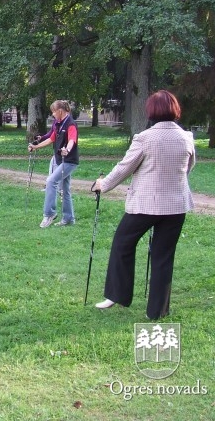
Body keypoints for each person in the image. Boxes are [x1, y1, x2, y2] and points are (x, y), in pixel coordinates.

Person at [92, 90, 195, 320]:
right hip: (176, 206)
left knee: (122, 244)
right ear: (175, 110)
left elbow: (124, 167)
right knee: (163, 256)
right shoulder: (186, 137)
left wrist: (103, 184)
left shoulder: (145, 138)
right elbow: (188, 167)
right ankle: (157, 311)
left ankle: (117, 295)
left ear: (151, 111)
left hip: (146, 205)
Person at [27, 100, 79, 228]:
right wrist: (36, 146)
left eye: (53, 112)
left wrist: (67, 149)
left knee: (51, 181)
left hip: (69, 161)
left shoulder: (71, 124)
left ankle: (49, 214)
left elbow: (72, 140)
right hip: (58, 160)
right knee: (65, 190)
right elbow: (51, 138)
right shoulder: (58, 123)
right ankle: (68, 219)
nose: (52, 114)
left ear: (60, 111)